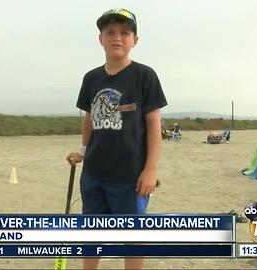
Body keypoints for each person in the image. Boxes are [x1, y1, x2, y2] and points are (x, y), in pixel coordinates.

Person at [65, 8, 167, 269]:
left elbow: (154, 123)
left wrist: (150, 170)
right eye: (110, 32)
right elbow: (89, 118)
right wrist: (83, 151)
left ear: (135, 40)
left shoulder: (145, 75)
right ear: (101, 39)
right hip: (94, 173)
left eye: (125, 32)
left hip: (130, 177)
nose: (117, 37)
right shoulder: (91, 78)